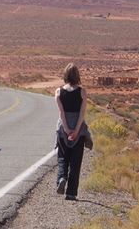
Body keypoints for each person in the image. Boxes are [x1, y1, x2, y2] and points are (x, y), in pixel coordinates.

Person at [55, 63, 92, 200]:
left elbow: (61, 112)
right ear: (77, 75)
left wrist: (66, 130)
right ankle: (71, 193)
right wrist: (76, 130)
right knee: (76, 161)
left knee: (63, 157)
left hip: (63, 130)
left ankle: (61, 178)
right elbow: (82, 113)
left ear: (65, 75)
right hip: (79, 129)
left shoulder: (58, 92)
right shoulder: (82, 92)